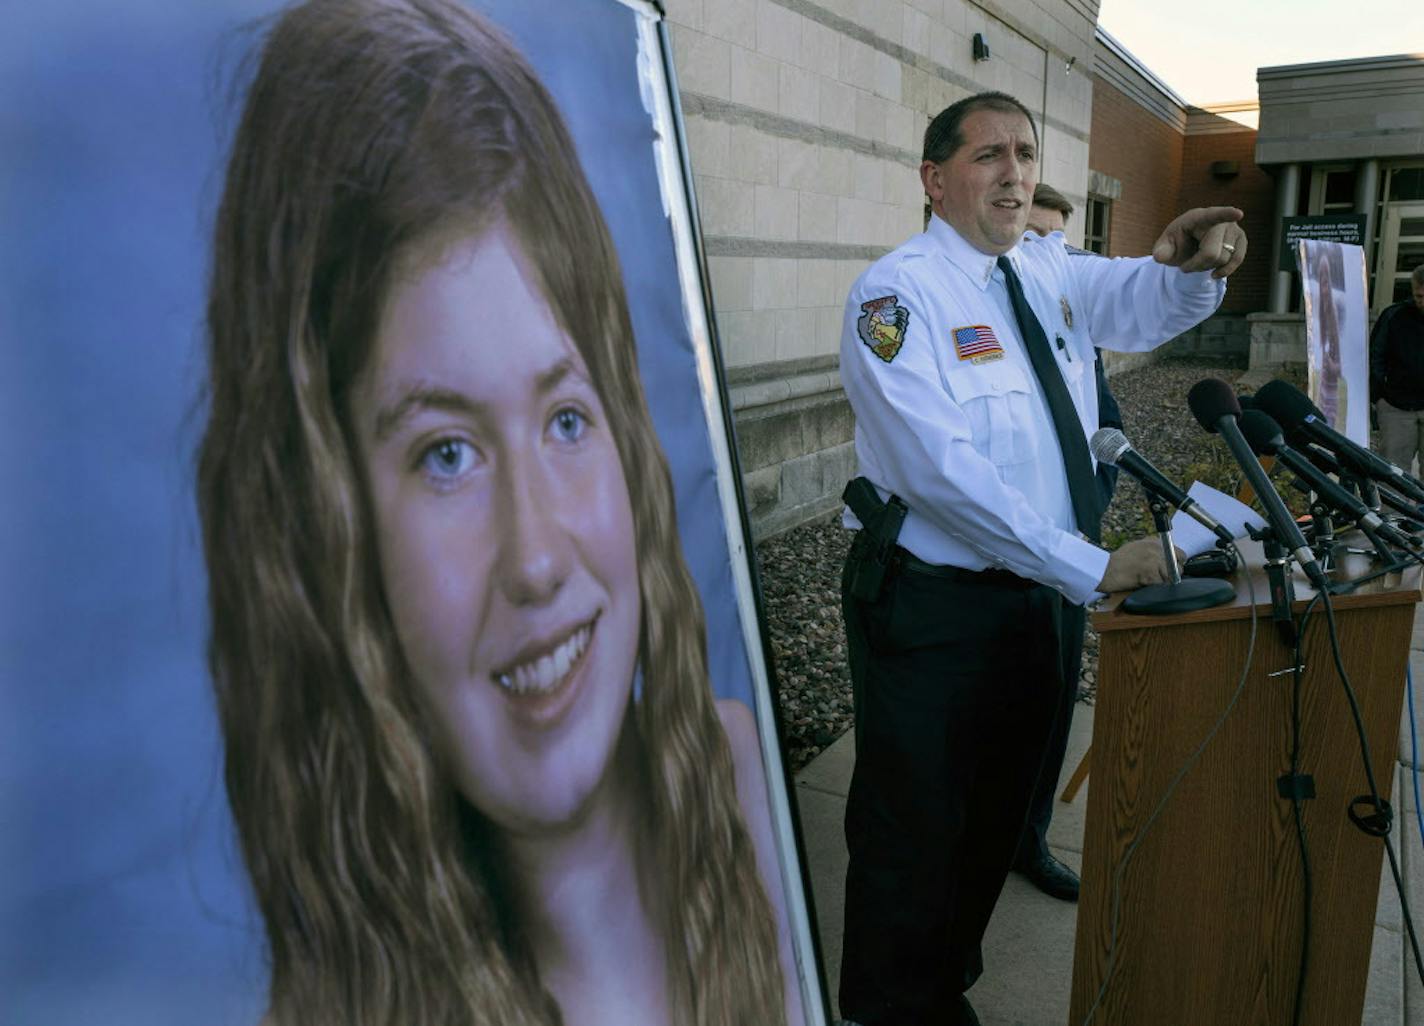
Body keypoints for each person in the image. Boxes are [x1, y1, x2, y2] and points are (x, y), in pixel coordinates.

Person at [194, 2, 798, 1023]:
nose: (536, 557)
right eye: (446, 454)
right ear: (324, 537)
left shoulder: (738, 790)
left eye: (566, 419)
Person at [836, 90, 1245, 1026]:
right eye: (988, 156)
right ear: (936, 181)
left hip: (1037, 599)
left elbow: (1142, 305)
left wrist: (1191, 263)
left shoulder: (1045, 268)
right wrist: (1091, 565)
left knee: (996, 818)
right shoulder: (897, 297)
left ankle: (944, 985)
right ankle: (894, 1006)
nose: (1014, 172)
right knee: (916, 828)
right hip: (936, 609)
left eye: (1024, 152)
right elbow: (938, 474)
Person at [1010, 182, 1123, 903]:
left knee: (1050, 707)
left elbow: (1106, 431)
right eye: (1033, 236)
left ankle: (1030, 839)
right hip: (991, 560)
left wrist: (1088, 519)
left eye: (1059, 240)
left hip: (1068, 557)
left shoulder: (1071, 324)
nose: (1047, 251)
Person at [1369, 264, 1424, 473]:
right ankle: (1394, 508)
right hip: (1395, 407)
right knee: (1394, 473)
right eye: (1419, 296)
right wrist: (1379, 396)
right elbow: (1376, 356)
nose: (1423, 302)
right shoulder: (1394, 316)